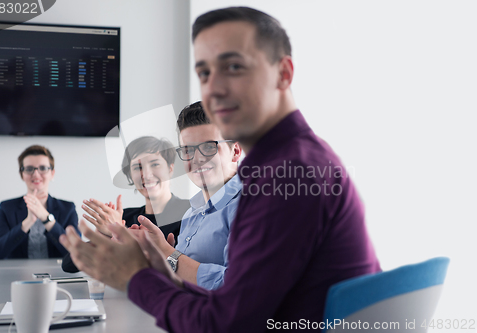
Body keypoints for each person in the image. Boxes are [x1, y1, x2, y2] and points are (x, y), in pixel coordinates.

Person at [60, 7, 381, 332]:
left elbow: (225, 323)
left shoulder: (290, 175)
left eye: (233, 67)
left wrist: (135, 278)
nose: (213, 89)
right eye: (204, 73)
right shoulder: (279, 165)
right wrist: (161, 264)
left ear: (283, 74)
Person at [134, 101, 242, 289]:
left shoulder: (250, 207)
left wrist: (167, 252)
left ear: (236, 151)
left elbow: (237, 286)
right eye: (188, 150)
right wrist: (155, 256)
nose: (197, 159)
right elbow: (182, 277)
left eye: (209, 147)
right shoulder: (192, 214)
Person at [62, 136, 190, 272]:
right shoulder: (125, 217)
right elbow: (69, 264)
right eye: (137, 167)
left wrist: (121, 236)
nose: (146, 174)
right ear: (130, 176)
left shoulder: (191, 212)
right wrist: (103, 237)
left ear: (170, 169)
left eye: (154, 164)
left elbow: (184, 267)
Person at [0, 145, 79, 259]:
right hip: (17, 275)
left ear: (52, 173)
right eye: (29, 169)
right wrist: (27, 222)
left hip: (58, 275)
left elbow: (77, 253)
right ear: (22, 174)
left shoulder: (68, 209)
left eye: (43, 168)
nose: (36, 174)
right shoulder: (7, 208)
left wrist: (46, 217)